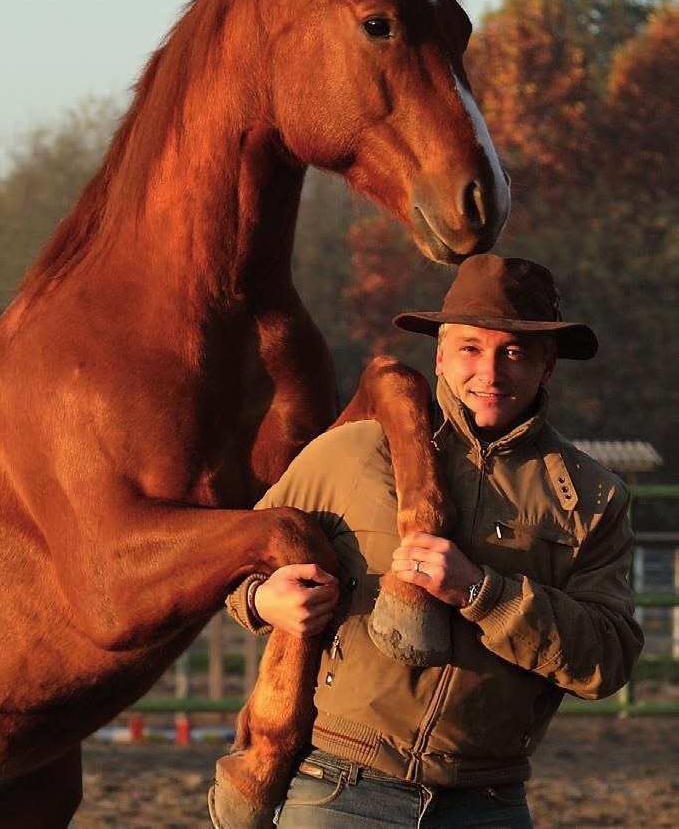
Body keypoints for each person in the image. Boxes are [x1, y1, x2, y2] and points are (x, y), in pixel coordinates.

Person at [223, 254, 643, 828]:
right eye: (471, 348)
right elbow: (237, 561)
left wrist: (483, 593)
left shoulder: (593, 498)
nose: (490, 373)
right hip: (340, 789)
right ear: (441, 357)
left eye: (514, 352)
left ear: (548, 367)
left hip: (488, 804)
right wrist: (259, 600)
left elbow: (608, 659)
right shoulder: (350, 451)